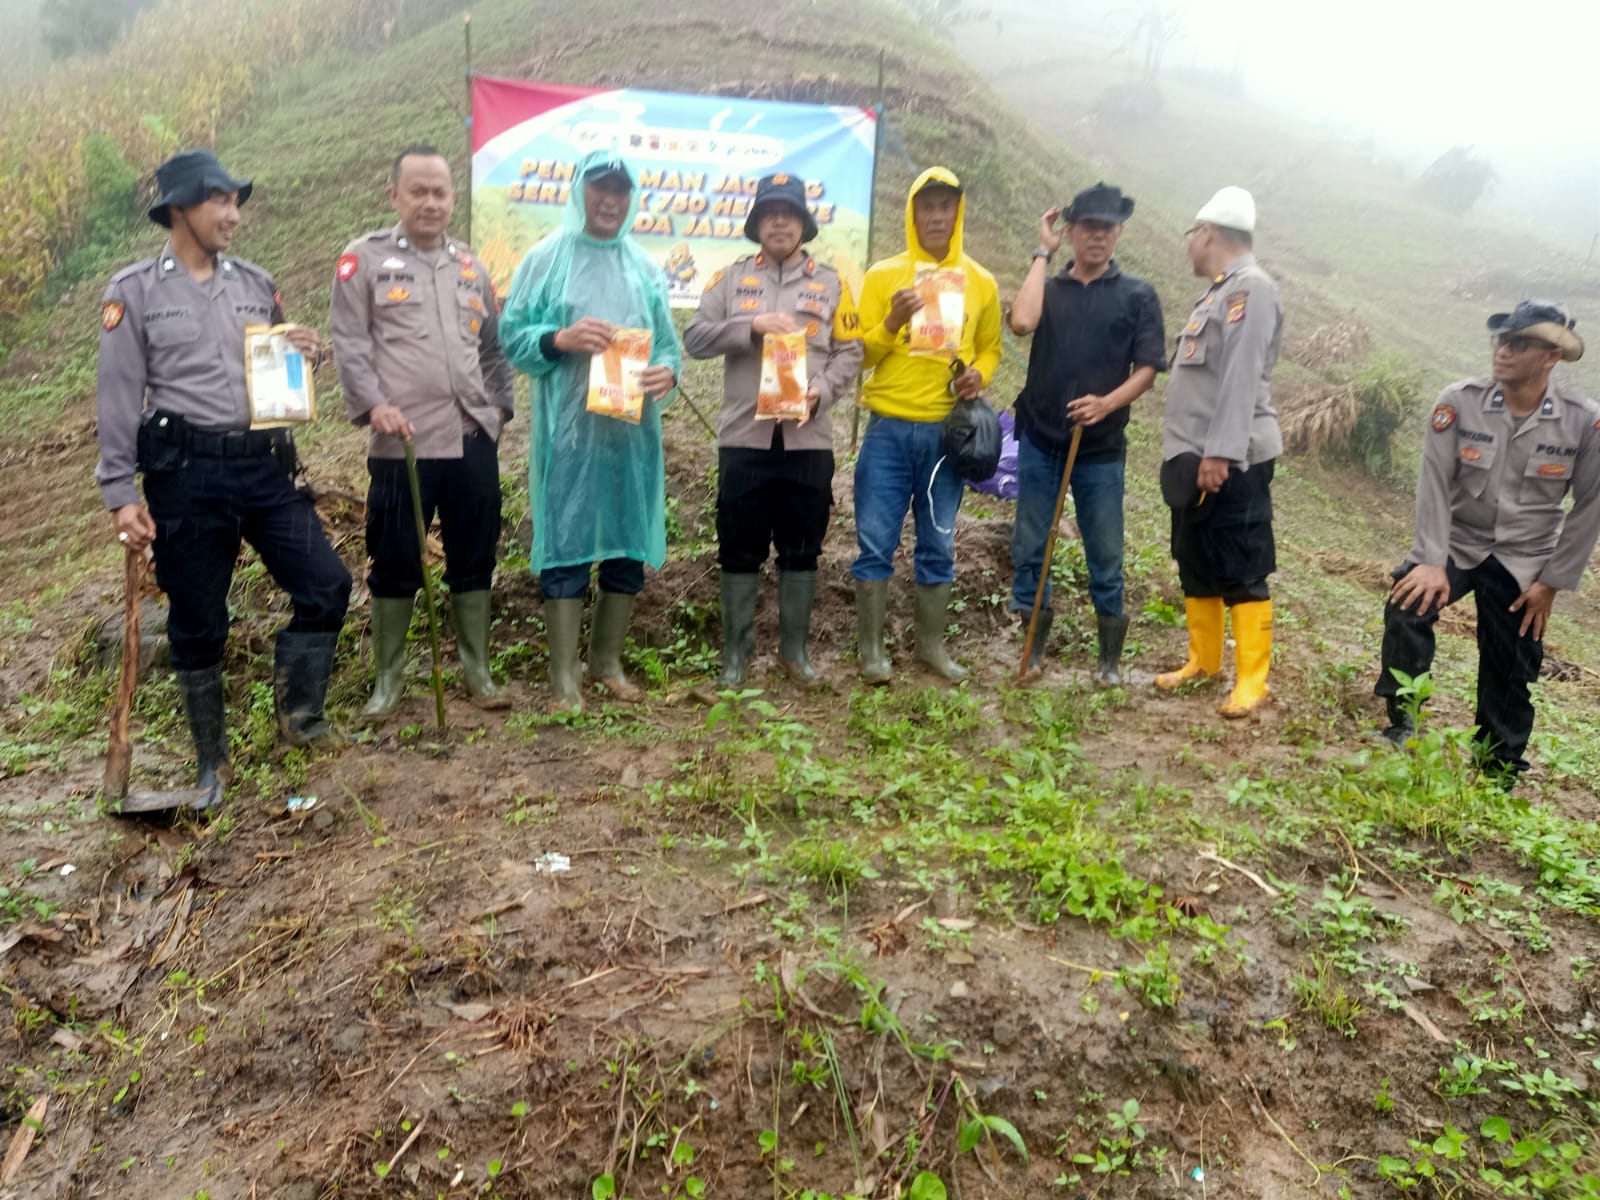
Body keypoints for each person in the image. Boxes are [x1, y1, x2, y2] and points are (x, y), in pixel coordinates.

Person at [95, 149, 352, 810]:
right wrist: (120, 493)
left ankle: (301, 717)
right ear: (179, 208)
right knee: (198, 620)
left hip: (265, 467)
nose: (233, 215)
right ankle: (212, 763)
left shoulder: (257, 284)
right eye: (220, 201)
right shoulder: (135, 292)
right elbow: (118, 396)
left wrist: (305, 357)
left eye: (237, 202)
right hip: (186, 475)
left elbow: (278, 372)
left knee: (326, 583)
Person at [331, 144, 515, 720]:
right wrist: (373, 406)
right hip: (402, 443)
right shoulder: (364, 260)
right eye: (418, 191)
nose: (430, 202)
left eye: (440, 192)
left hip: (472, 438)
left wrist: (499, 411)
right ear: (395, 195)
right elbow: (350, 343)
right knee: (394, 558)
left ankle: (476, 670)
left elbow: (492, 350)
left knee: (475, 554)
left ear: (453, 198)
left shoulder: (471, 266)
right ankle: (388, 680)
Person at [1376, 301, 1598, 779]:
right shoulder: (1460, 402)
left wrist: (1551, 583)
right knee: (1407, 603)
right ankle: (1403, 722)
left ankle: (1498, 763)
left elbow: (1590, 505)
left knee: (1513, 658)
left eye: (1519, 343)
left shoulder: (1583, 422)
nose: (1503, 351)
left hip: (1525, 557)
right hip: (1456, 542)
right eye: (1501, 340)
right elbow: (1434, 482)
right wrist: (1430, 559)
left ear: (1551, 357)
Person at [497, 150, 681, 711]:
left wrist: (667, 372)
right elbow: (512, 335)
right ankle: (564, 678)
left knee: (626, 545)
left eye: (621, 190)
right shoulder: (545, 260)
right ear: (579, 191)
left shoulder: (644, 268)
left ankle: (606, 663)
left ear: (631, 200)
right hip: (569, 436)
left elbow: (668, 345)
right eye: (600, 187)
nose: (610, 199)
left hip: (631, 438)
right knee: (566, 545)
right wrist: (559, 339)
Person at [683, 172, 864, 688]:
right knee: (738, 545)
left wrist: (821, 391)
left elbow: (851, 350)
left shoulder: (832, 283)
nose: (779, 221)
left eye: (788, 213)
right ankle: (735, 660)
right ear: (757, 223)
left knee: (802, 545)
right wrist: (751, 327)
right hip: (745, 438)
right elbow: (694, 338)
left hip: (808, 439)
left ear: (803, 224)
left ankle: (794, 655)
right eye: (769, 213)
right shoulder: (730, 279)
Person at [1008, 182, 1165, 684]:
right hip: (1040, 438)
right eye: (1088, 227)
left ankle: (1109, 662)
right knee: (1032, 547)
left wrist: (1106, 404)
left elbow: (1147, 368)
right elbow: (1021, 322)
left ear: (1119, 233)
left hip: (1101, 448)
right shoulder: (1049, 289)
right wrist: (1043, 252)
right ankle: (1033, 651)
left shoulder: (1138, 295)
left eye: (1107, 227)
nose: (1098, 236)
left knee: (1105, 551)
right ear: (1071, 231)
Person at [852, 167, 1003, 684]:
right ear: (912, 213)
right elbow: (860, 355)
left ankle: (931, 647)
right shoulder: (883, 276)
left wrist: (980, 374)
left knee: (938, 543)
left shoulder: (981, 282)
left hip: (946, 435)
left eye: (946, 206)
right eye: (927, 206)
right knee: (875, 542)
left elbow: (990, 347)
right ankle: (872, 652)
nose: (937, 216)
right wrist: (893, 321)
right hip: (888, 431)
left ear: (958, 213)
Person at [1155, 186, 1282, 719]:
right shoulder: (1217, 294)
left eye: (1192, 235)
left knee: (1241, 562)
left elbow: (1240, 376)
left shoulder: (1250, 290)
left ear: (1207, 233)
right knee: (1197, 560)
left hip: (1232, 460)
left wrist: (1221, 453)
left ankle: (1252, 681)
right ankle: (1202, 663)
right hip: (1194, 458)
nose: (1189, 245)